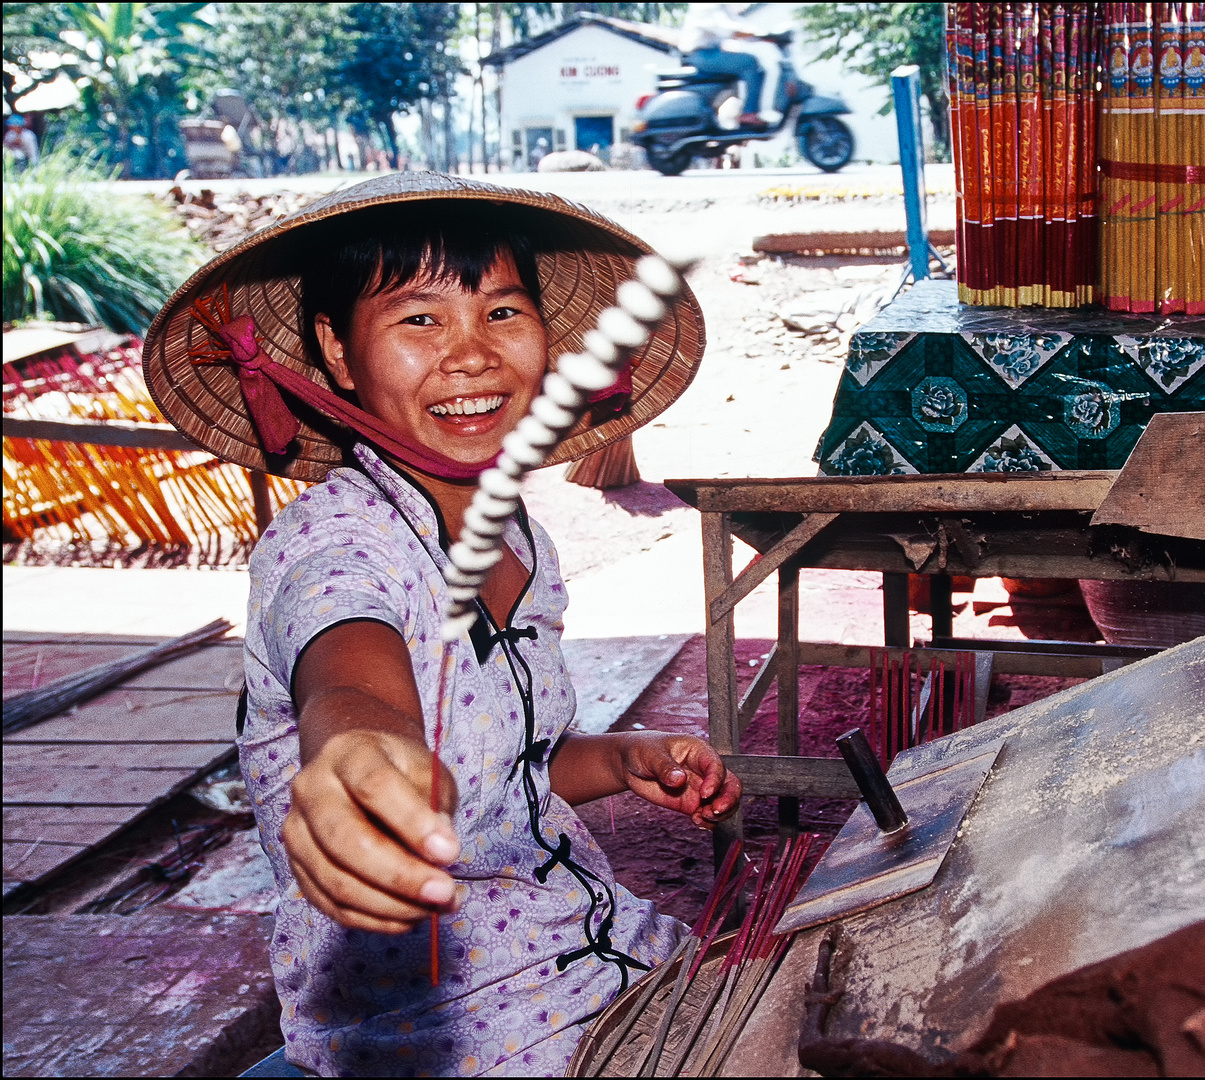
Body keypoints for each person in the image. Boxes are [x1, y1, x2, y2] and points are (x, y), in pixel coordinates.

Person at [140, 174, 730, 1076]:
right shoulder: (334, 545)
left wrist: (619, 757)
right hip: (451, 1024)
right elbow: (351, 685)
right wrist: (357, 763)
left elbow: (505, 775)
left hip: (591, 950)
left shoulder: (517, 535)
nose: (471, 357)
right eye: (419, 320)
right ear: (336, 352)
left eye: (502, 312)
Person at [677, 2, 768, 129]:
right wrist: (759, 34)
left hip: (708, 53)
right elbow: (726, 29)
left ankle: (742, 112)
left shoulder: (721, 6)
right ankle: (749, 113)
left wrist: (760, 36)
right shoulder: (706, 5)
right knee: (750, 63)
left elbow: (736, 25)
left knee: (750, 65)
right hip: (702, 54)